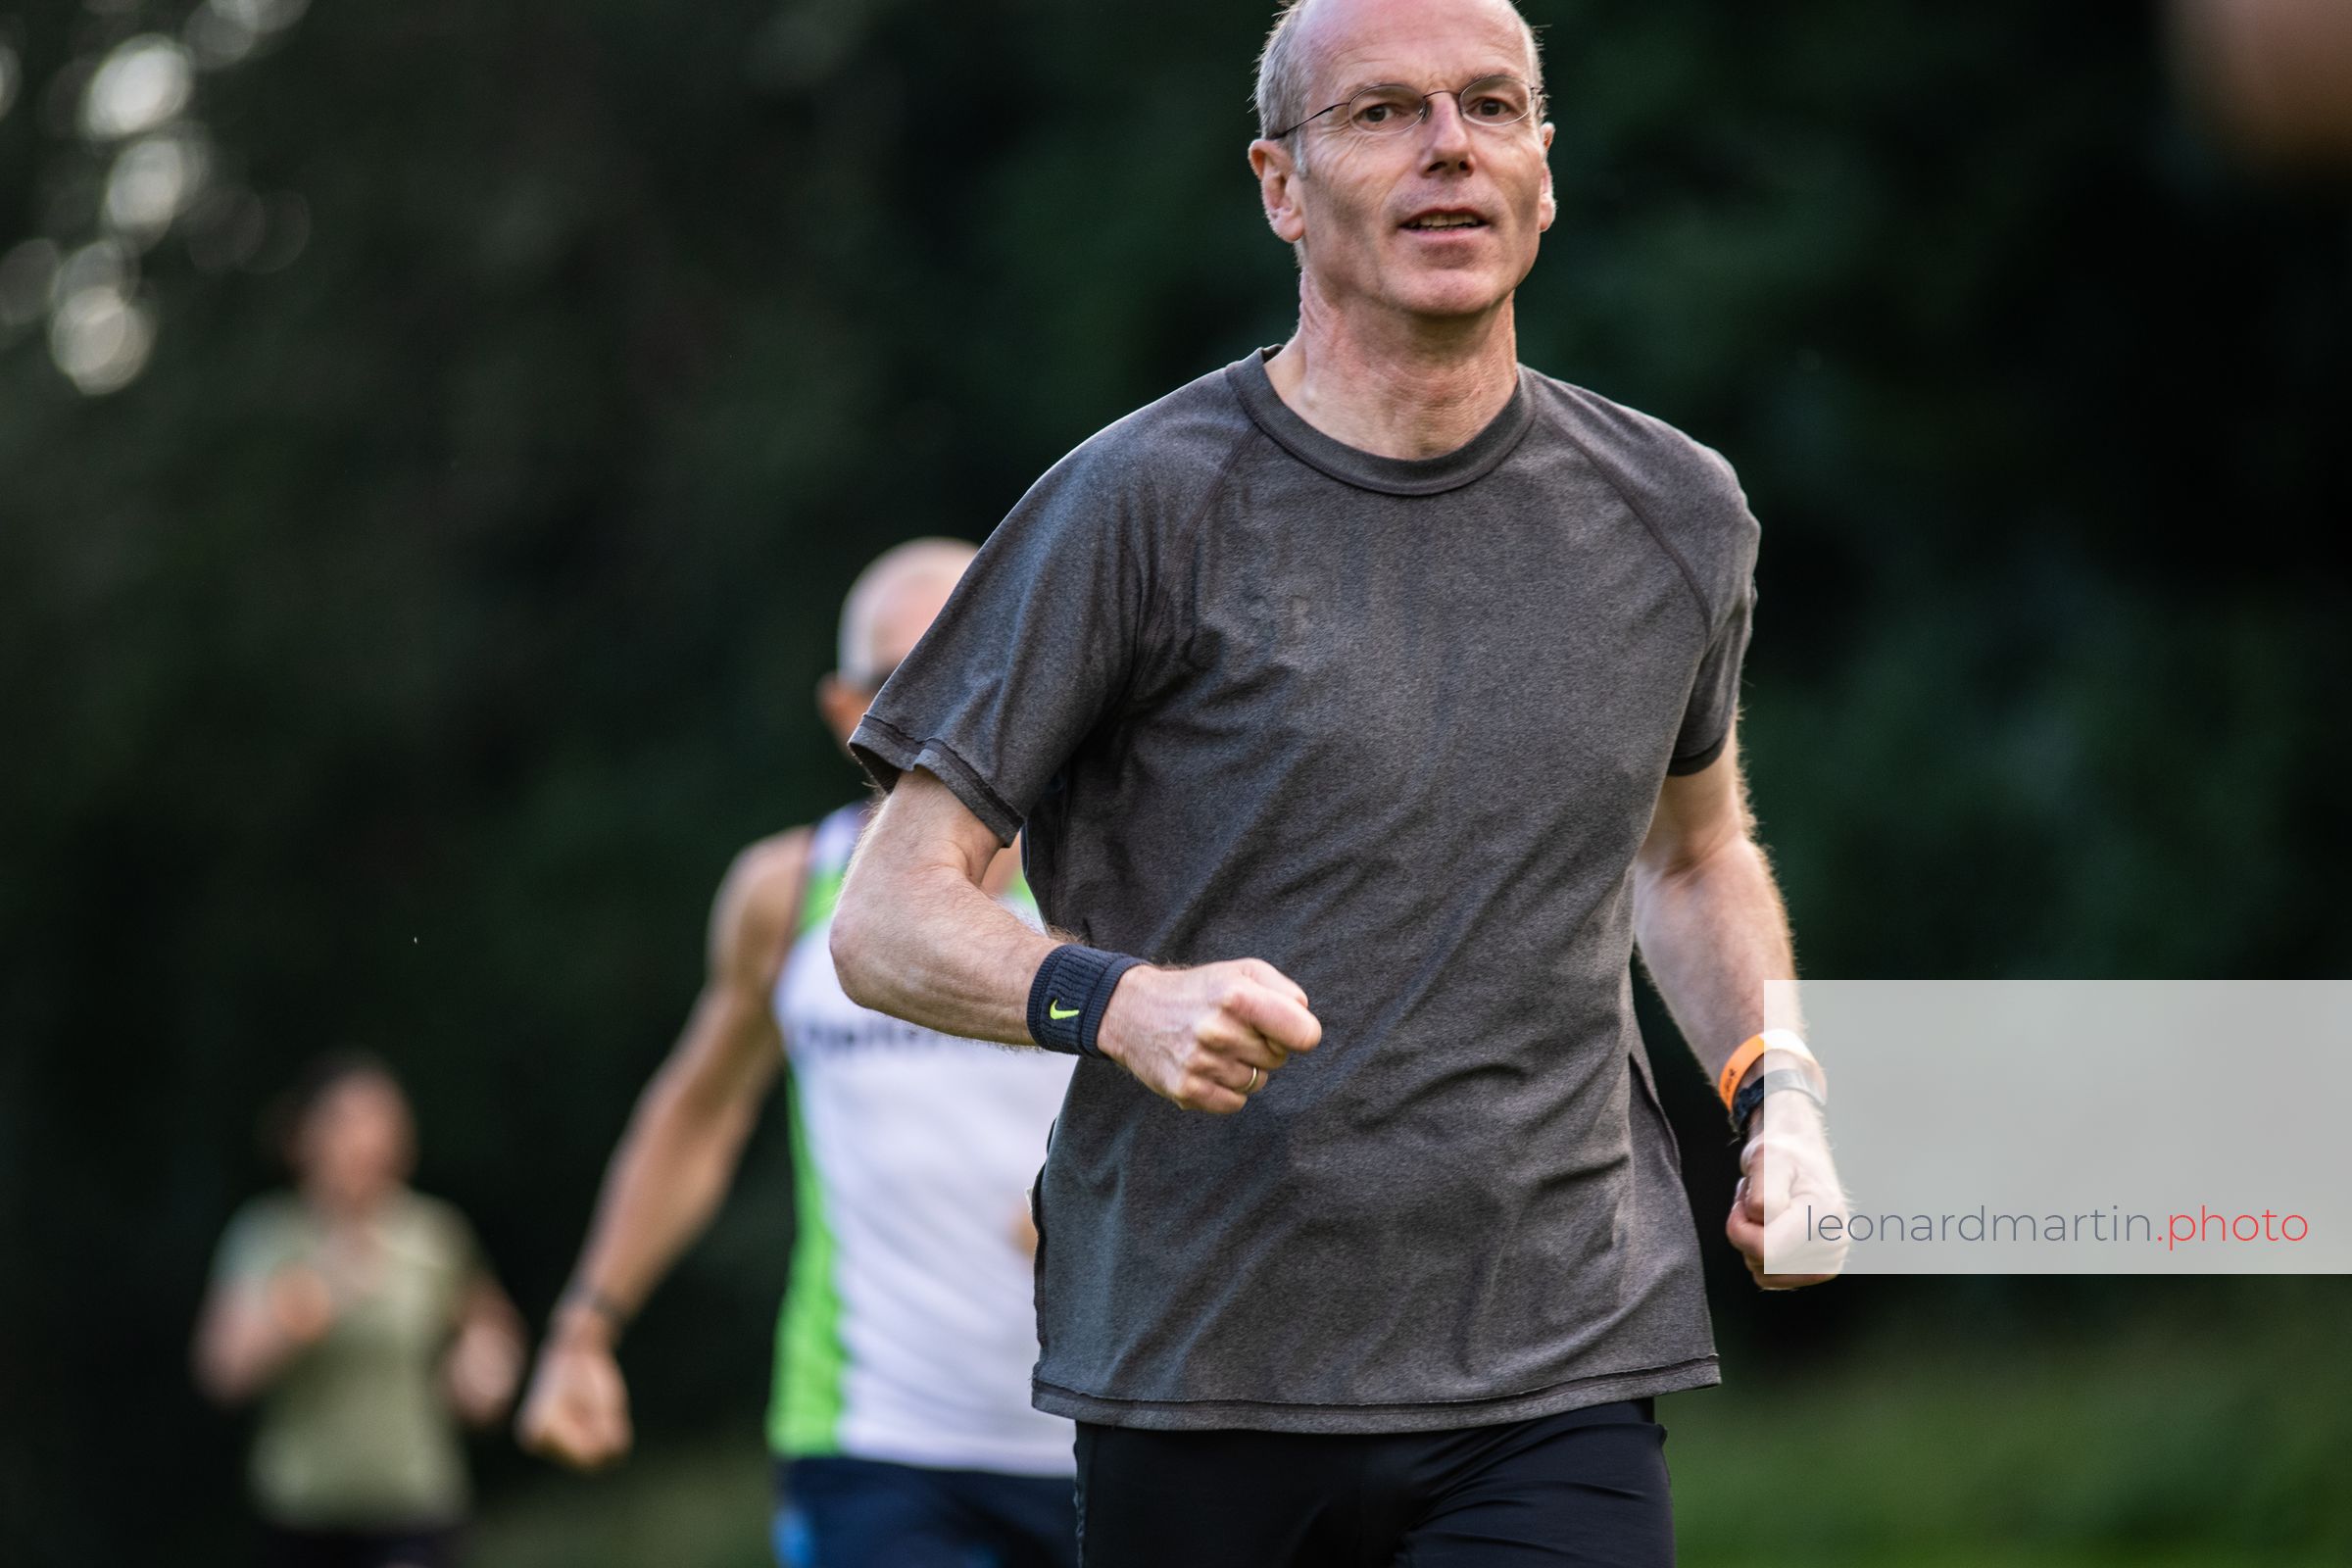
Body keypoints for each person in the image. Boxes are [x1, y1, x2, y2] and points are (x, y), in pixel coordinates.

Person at [825, 0, 1849, 1561]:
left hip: (1560, 1363)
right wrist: (1122, 1004)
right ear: (1280, 187)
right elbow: (886, 916)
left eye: (1491, 106)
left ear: (1545, 169)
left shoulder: (1674, 509)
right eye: (1381, 113)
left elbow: (1692, 859)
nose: (1449, 148)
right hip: (1201, 1372)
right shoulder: (1135, 505)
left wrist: (1784, 1102)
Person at [514, 538, 1079, 1568]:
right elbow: (699, 1113)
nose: (949, 708)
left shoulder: (1108, 886)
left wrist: (1110, 1192)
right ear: (848, 711)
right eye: (906, 678)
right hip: (870, 1442)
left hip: (1106, 1425)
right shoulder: (786, 897)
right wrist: (584, 1329)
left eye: (976, 664)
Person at [194, 1052, 524, 1568]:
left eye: (381, 1122)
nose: (365, 1140)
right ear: (303, 1136)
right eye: (346, 1122)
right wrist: (312, 1297)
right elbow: (223, 1371)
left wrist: (485, 1368)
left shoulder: (431, 1237)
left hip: (414, 1509)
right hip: (301, 1515)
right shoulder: (267, 1237)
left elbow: (490, 1328)